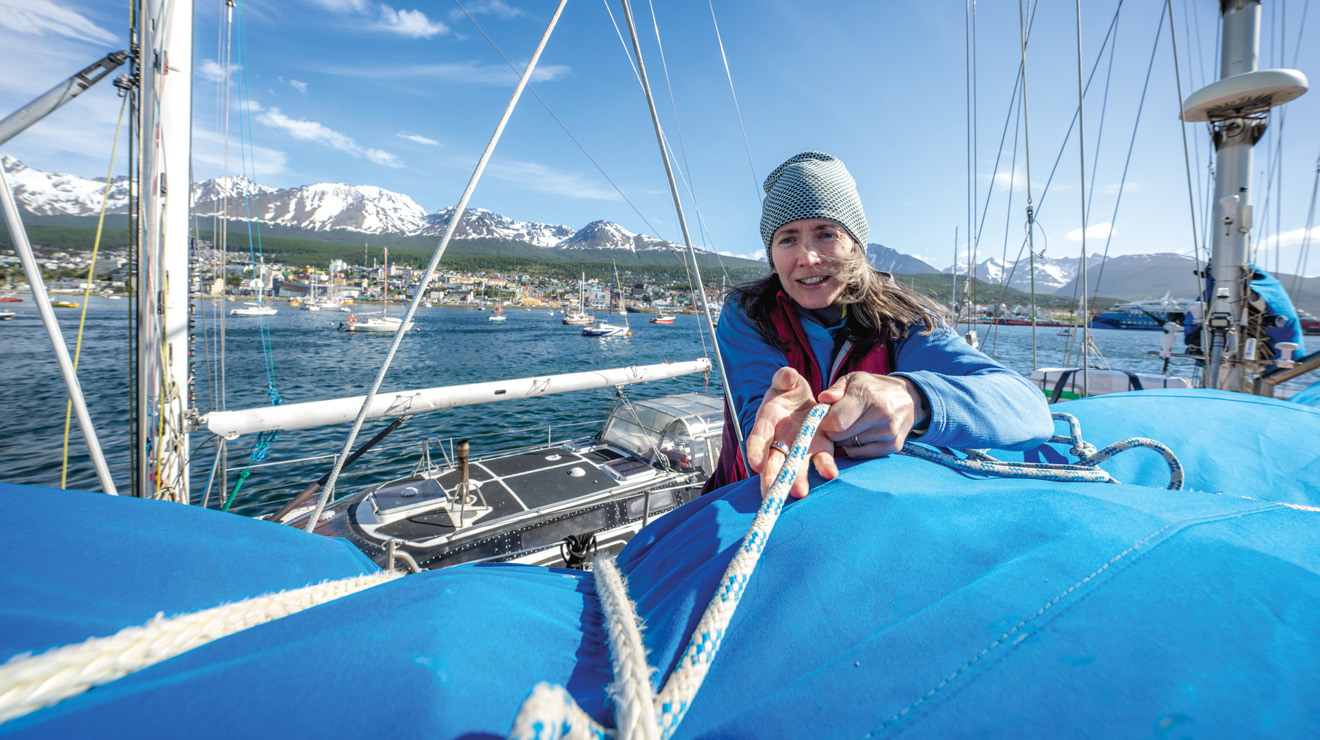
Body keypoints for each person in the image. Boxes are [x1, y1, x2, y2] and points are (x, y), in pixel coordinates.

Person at [705, 151, 1055, 499]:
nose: (807, 257)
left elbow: (1030, 409)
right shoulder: (747, 314)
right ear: (772, 255)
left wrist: (916, 399)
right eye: (788, 239)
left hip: (869, 517)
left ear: (855, 245)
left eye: (826, 234)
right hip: (742, 507)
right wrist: (784, 419)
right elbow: (757, 404)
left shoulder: (902, 320)